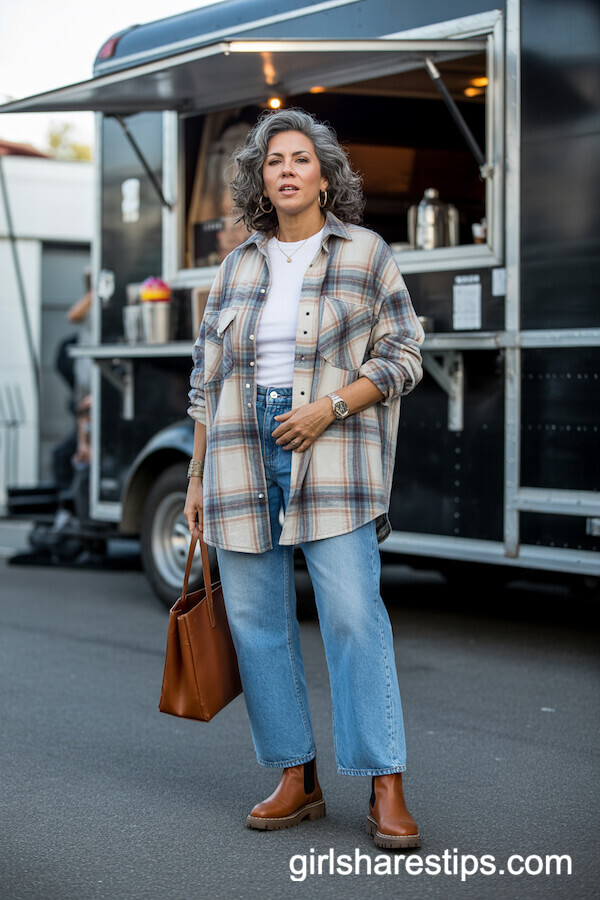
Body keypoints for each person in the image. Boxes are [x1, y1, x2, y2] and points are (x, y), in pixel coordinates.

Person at [185, 108, 425, 850]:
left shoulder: (365, 253)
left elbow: (405, 355)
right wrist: (195, 476)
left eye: (299, 159)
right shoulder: (237, 265)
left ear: (325, 175)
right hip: (237, 446)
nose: (285, 170)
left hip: (333, 445)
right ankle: (298, 776)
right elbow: (206, 378)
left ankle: (385, 782)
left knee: (354, 616)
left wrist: (330, 407)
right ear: (261, 181)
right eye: (272, 162)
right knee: (257, 621)